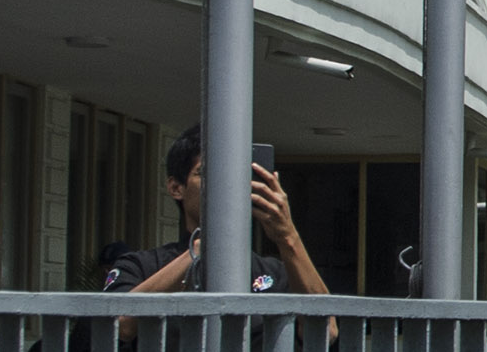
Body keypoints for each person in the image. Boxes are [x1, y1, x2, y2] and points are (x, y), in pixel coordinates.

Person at [110, 124, 333, 302]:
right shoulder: (141, 266)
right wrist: (201, 249)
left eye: (235, 171)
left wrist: (288, 237)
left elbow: (326, 332)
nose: (224, 181)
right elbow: (118, 324)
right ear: (176, 188)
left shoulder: (274, 273)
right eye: (207, 172)